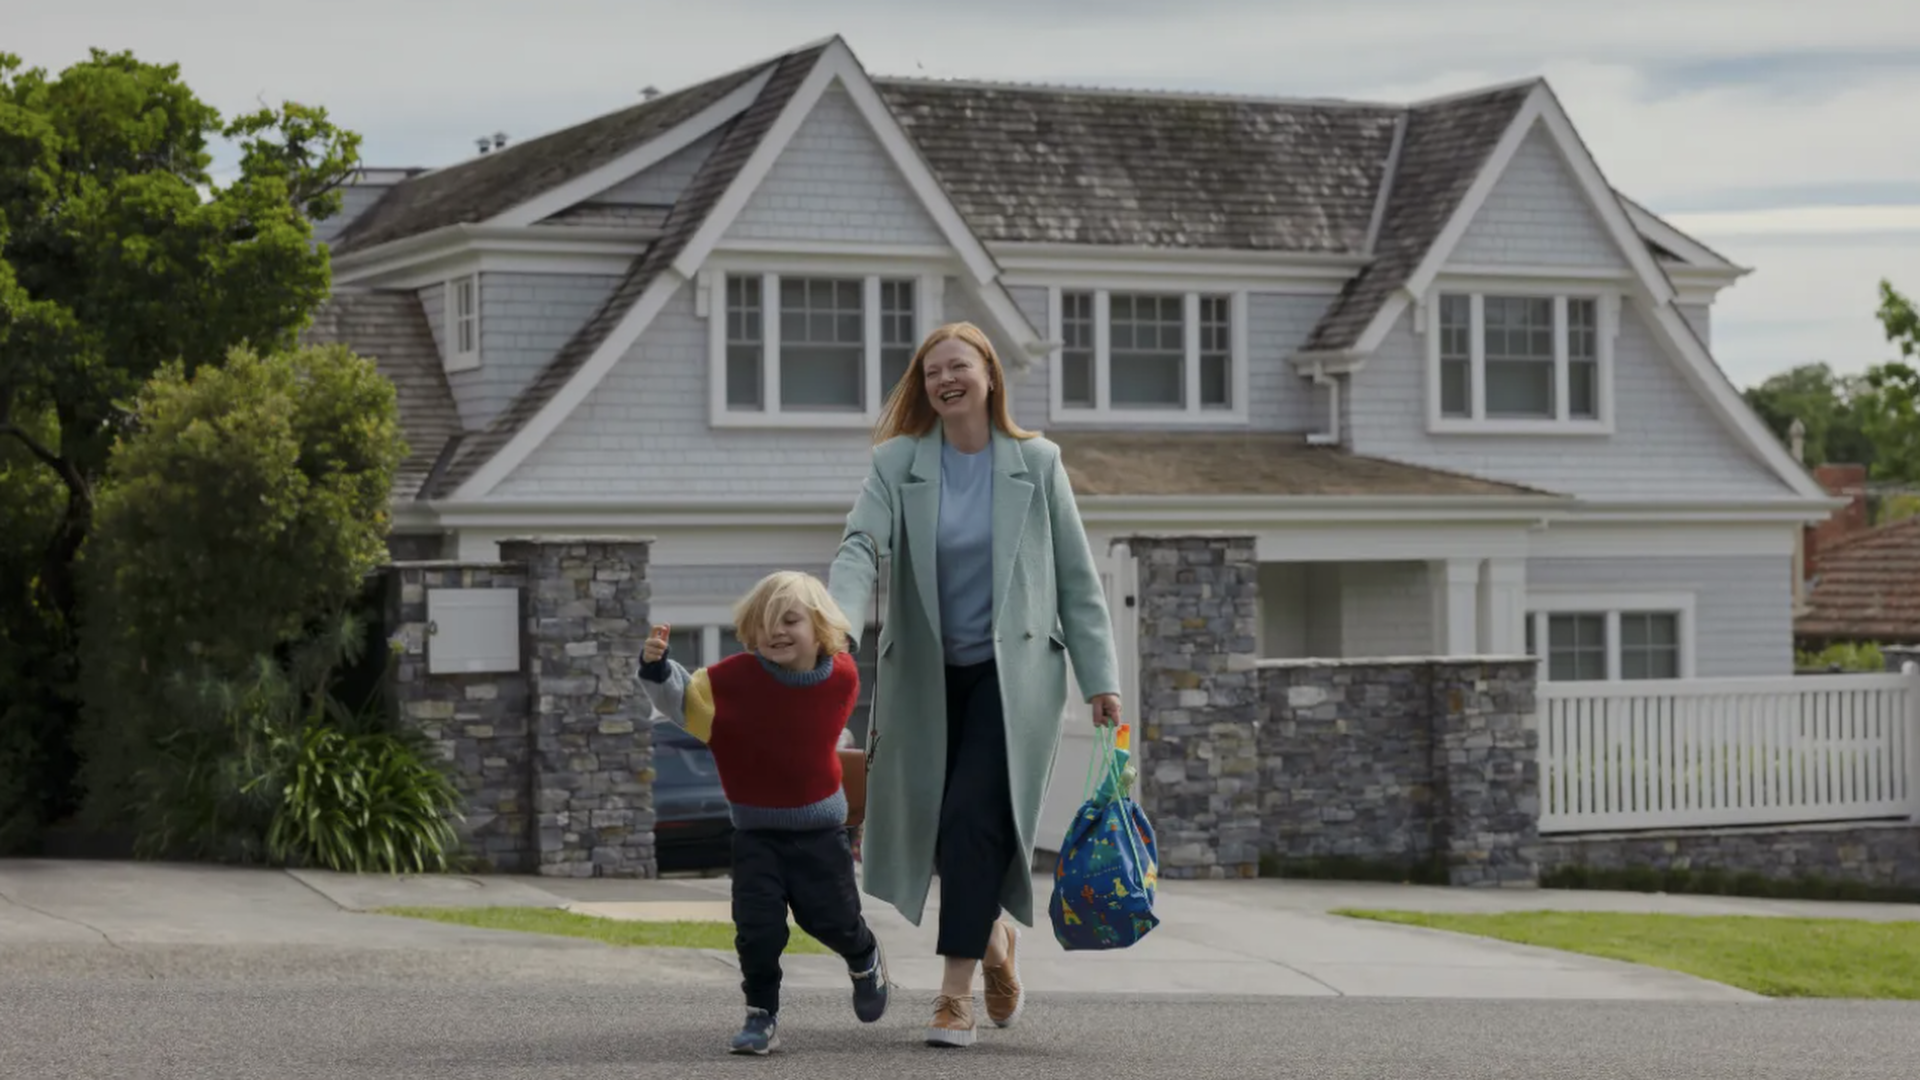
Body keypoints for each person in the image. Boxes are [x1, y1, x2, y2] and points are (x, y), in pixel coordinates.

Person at [826, 321, 1122, 1049]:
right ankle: (993, 941)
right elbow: (862, 543)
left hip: (1012, 680)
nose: (944, 380)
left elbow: (1079, 582)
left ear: (989, 375)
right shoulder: (898, 464)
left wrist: (1100, 677)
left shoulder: (1036, 461)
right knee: (939, 831)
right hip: (926, 680)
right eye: (932, 373)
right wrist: (832, 618)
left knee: (970, 820)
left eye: (957, 366)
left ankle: (953, 998)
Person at [638, 571, 890, 1056]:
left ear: (819, 628)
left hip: (821, 834)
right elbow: (686, 701)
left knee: (832, 921)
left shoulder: (842, 677)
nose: (776, 631)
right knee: (758, 930)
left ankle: (863, 956)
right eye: (764, 622)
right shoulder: (732, 681)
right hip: (756, 836)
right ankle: (761, 1014)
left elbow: (803, 714)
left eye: (790, 620)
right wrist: (656, 668)